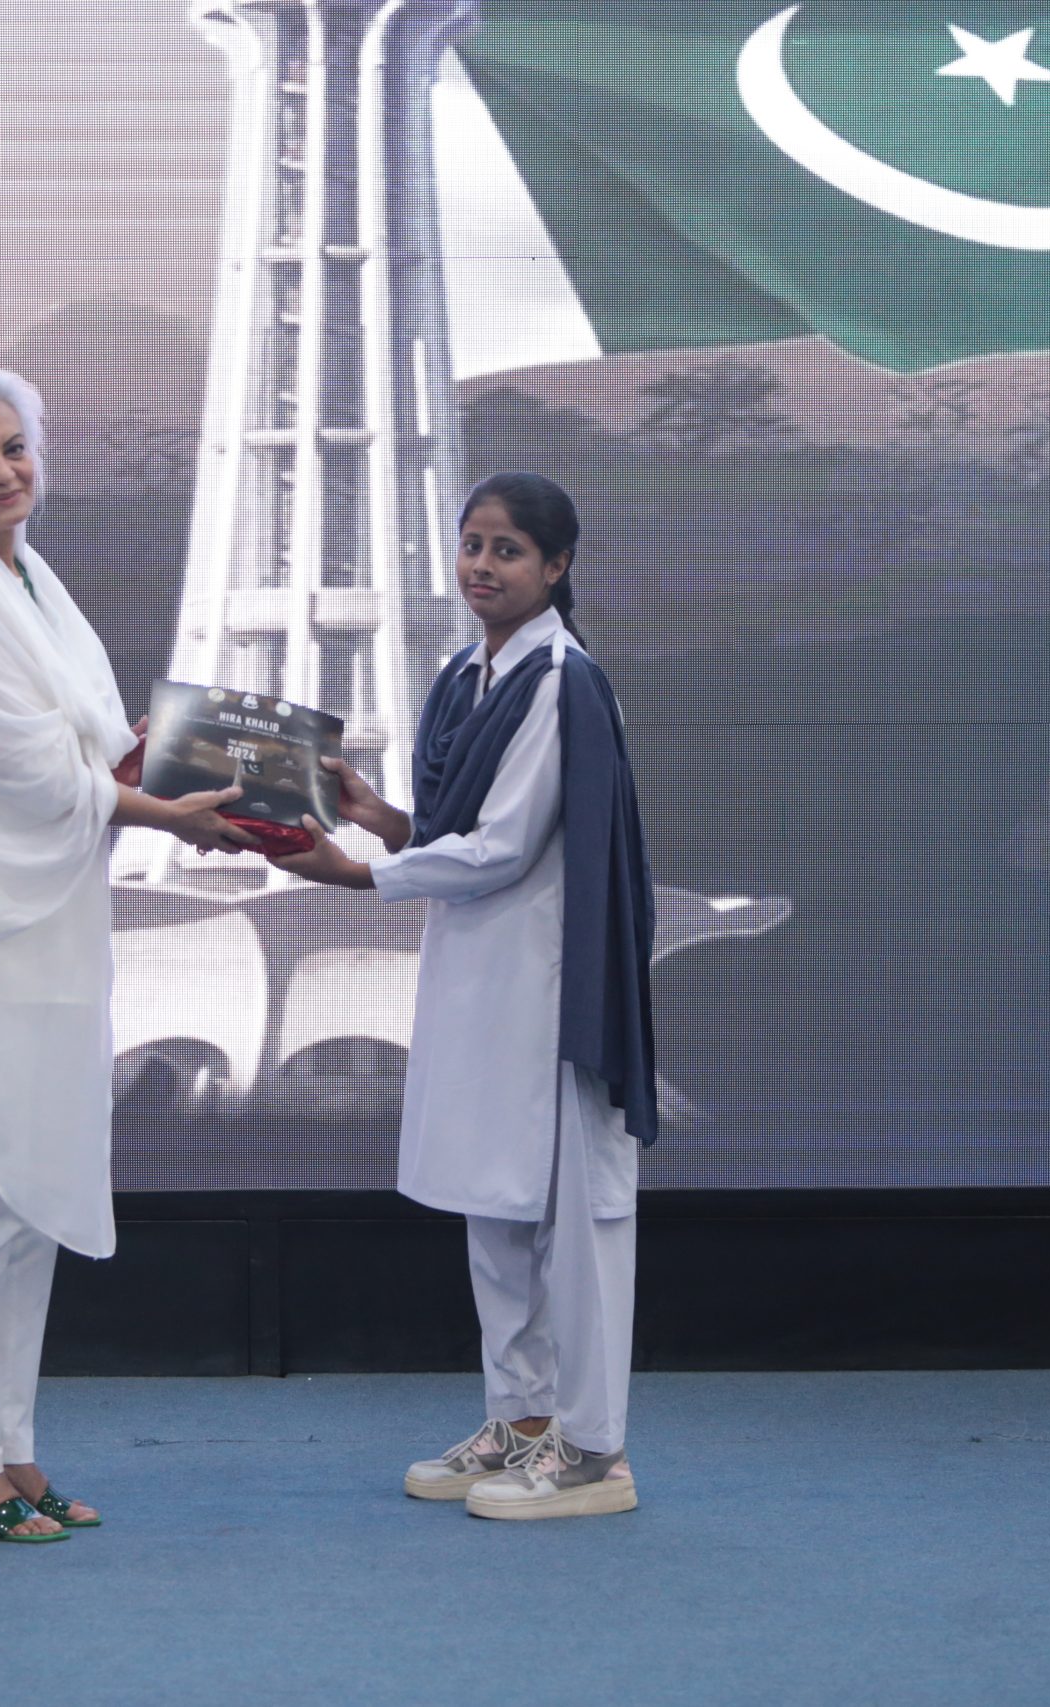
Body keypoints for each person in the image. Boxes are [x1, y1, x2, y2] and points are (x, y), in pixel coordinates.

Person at [0, 357, 253, 1542]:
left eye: (14, 448)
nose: (3, 473)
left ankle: (4, 1445)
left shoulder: (25, 575)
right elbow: (30, 773)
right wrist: (160, 811)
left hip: (42, 933)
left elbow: (78, 736)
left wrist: (167, 758)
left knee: (25, 1204)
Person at [269, 472, 658, 1521]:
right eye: (472, 543)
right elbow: (453, 832)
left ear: (558, 567)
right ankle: (521, 1420)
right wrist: (378, 816)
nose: (482, 565)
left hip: (554, 992)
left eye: (508, 550)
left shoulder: (561, 681)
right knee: (496, 1208)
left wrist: (358, 873)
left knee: (574, 1222)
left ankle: (594, 1452)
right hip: (476, 979)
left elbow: (504, 847)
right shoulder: (465, 676)